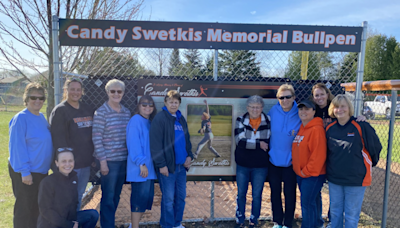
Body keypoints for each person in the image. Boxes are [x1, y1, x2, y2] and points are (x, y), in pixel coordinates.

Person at [326, 94, 382, 228]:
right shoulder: (329, 128)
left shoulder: (361, 126)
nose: (340, 110)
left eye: (343, 106)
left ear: (349, 108)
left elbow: (375, 147)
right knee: (335, 213)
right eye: (336, 107)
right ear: (332, 109)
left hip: (356, 179)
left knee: (351, 215)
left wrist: (365, 165)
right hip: (335, 179)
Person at [8, 82, 53, 228]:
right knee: (24, 210)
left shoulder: (41, 117)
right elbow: (17, 147)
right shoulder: (20, 119)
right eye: (34, 97)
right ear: (26, 99)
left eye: (41, 98)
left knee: (36, 209)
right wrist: (25, 172)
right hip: (27, 173)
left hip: (41, 172)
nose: (38, 101)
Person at [150, 90, 193, 228]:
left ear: (179, 103)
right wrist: (161, 164)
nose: (173, 104)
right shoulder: (160, 118)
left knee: (180, 197)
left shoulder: (181, 118)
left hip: (181, 167)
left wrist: (189, 156)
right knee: (168, 199)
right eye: (170, 102)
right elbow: (155, 144)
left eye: (176, 102)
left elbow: (187, 140)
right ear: (165, 103)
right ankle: (167, 225)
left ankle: (176, 223)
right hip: (168, 166)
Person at [49, 77, 95, 209]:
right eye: (72, 89)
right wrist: (65, 164)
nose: (76, 92)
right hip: (69, 165)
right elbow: (58, 140)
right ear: (65, 90)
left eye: (78, 89)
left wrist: (91, 157)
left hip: (85, 164)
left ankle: (74, 222)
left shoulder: (87, 109)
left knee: (78, 195)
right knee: (67, 197)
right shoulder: (60, 111)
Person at [92, 79, 131, 228]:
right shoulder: (101, 112)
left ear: (123, 93)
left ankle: (109, 223)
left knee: (116, 195)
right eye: (112, 91)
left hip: (123, 161)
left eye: (119, 91)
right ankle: (107, 225)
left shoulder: (126, 112)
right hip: (109, 162)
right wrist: (102, 162)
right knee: (108, 197)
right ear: (107, 92)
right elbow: (96, 138)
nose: (116, 94)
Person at [234, 95, 271, 228]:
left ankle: (253, 221)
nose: (255, 109)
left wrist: (255, 143)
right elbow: (240, 141)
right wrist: (258, 144)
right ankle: (239, 220)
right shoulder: (241, 120)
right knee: (241, 193)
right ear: (247, 108)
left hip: (260, 165)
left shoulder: (267, 121)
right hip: (243, 164)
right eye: (252, 107)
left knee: (257, 194)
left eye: (257, 107)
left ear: (262, 108)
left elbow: (266, 140)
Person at [37, 148, 99, 228]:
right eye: (63, 161)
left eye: (70, 161)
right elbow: (46, 211)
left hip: (68, 219)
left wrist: (73, 223)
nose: (67, 164)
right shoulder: (47, 182)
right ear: (56, 163)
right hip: (51, 223)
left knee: (93, 215)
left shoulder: (74, 178)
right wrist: (68, 225)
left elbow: (74, 203)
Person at [268, 84, 301, 228]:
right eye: (282, 97)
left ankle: (288, 223)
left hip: (291, 162)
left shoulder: (300, 112)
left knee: (290, 194)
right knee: (275, 193)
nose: (285, 100)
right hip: (273, 160)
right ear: (278, 99)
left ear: (293, 97)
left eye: (288, 97)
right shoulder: (273, 111)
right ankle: (277, 222)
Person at [292, 100, 327, 228]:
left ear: (313, 111)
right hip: (302, 174)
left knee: (307, 204)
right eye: (301, 109)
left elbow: (318, 155)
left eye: (307, 109)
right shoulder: (302, 128)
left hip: (312, 174)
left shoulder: (316, 129)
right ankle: (317, 225)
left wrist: (306, 171)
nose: (303, 112)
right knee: (313, 202)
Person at [126, 95, 157, 228]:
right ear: (139, 106)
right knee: (138, 201)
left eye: (150, 105)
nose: (147, 107)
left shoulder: (149, 122)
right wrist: (141, 163)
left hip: (149, 169)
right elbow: (133, 144)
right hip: (140, 168)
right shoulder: (135, 121)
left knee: (145, 201)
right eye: (144, 105)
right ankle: (134, 226)